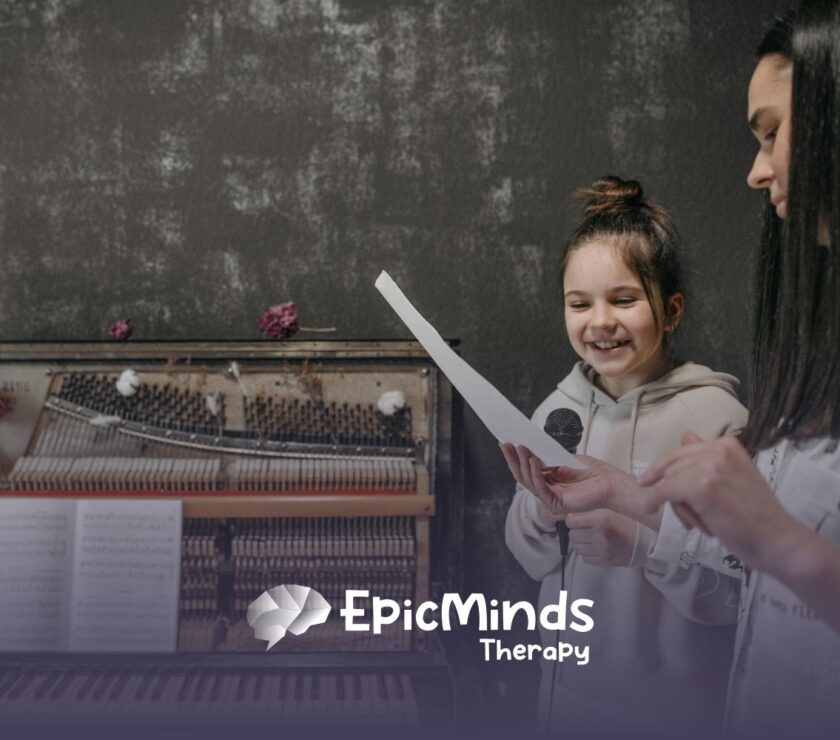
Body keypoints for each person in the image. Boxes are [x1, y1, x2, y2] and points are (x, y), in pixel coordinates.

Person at [530, 4, 840, 735]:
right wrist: (625, 496)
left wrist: (768, 536)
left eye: (772, 133)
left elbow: (756, 571)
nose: (757, 170)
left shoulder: (713, 410)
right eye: (578, 302)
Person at [502, 176, 747, 734]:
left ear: (672, 310)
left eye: (625, 299)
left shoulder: (715, 420)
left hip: (681, 706)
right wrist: (542, 510)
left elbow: (738, 593)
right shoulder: (554, 414)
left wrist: (643, 545)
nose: (600, 322)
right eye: (579, 303)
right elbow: (530, 557)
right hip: (566, 693)